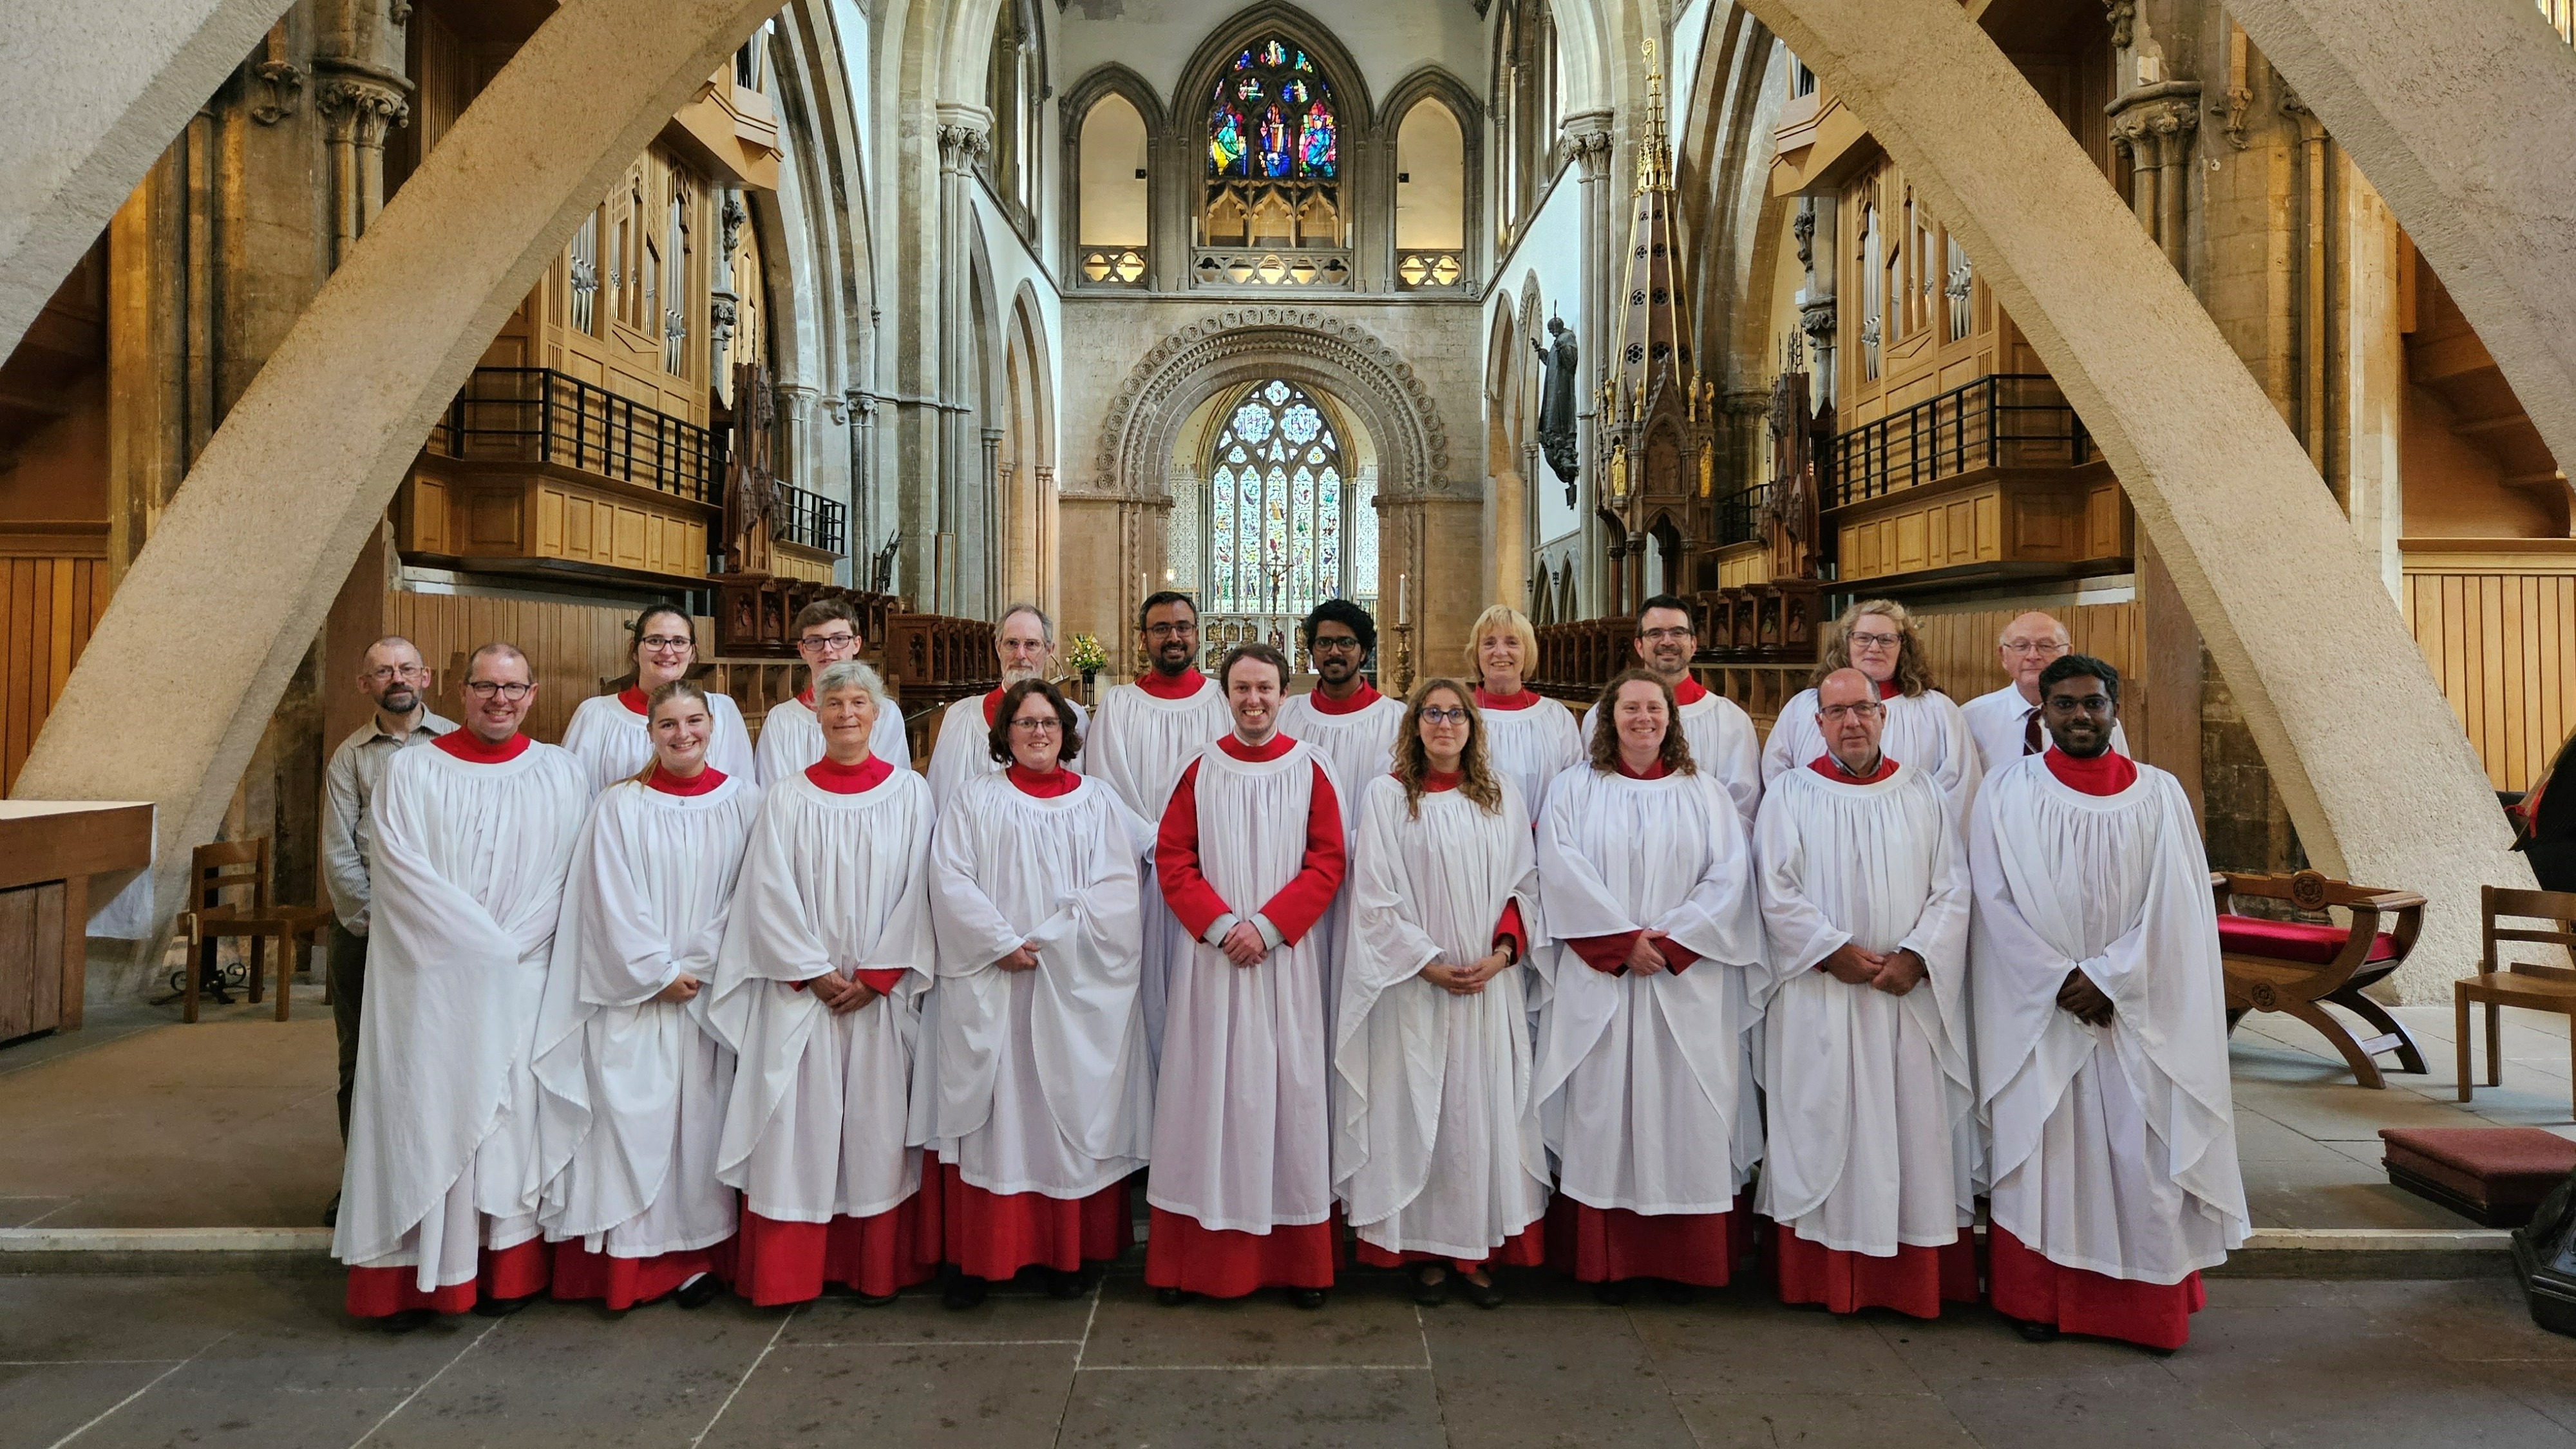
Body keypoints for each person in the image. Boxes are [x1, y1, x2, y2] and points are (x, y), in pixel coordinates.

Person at [1970, 654, 2248, 1350]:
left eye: (2093, 703)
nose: (2080, 716)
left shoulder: (2160, 795)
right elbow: (1990, 902)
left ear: (2115, 708)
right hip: (2042, 1012)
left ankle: (2142, 1312)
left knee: (2141, 1155)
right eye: (2063, 705)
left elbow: (2179, 908)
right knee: (2047, 1155)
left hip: (2135, 1015)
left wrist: (2112, 979)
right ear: (2042, 713)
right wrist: (2057, 979)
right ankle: (2037, 1302)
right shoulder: (2005, 791)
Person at [332, 642, 589, 1327]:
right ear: (459, 690)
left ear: (533, 694)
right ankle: (428, 1269)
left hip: (524, 977)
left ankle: (504, 1269)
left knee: (511, 1124)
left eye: (512, 688)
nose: (498, 700)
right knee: (437, 1111)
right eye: (484, 687)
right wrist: (483, 949)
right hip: (437, 983)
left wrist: (507, 950)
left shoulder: (563, 774)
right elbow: (400, 881)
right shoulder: (412, 773)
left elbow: (570, 879)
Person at [709, 658, 941, 1307]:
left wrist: (880, 973)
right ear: (816, 714)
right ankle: (791, 1273)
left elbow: (921, 890)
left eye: (857, 705)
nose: (845, 715)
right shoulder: (785, 797)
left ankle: (875, 1269)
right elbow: (766, 891)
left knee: (875, 1127)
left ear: (877, 715)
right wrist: (811, 971)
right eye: (834, 704)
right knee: (794, 1132)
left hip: (878, 996)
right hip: (804, 996)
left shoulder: (909, 793)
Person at [1751, 668, 1976, 1320]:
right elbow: (1774, 889)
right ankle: (1818, 1279)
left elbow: (1952, 888)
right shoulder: (1790, 793)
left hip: (1904, 998)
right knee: (1820, 1122)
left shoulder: (1923, 791)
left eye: (1863, 710)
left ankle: (1905, 1280)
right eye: (1836, 712)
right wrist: (1829, 951)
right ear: (1816, 724)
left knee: (1910, 1132)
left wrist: (1917, 956)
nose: (1851, 722)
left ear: (1884, 717)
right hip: (1823, 995)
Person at [1533, 670, 1763, 1303]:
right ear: (1608, 720)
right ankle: (1605, 1260)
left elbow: (1729, 877)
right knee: (1602, 1109)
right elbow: (1559, 867)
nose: (1642, 719)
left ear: (1671, 719)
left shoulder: (1705, 793)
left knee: (1689, 1109)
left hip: (1682, 981)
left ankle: (1689, 1264)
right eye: (1629, 708)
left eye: (1653, 708)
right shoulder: (1573, 790)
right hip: (1603, 980)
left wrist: (1670, 943)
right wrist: (1618, 942)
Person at [922, 679, 1153, 1309]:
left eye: (1048, 722)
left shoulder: (1097, 801)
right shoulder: (974, 800)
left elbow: (1114, 888)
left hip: (1069, 983)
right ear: (1004, 735)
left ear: (1067, 731)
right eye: (1024, 723)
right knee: (995, 1113)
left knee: (1062, 1110)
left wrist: (1049, 940)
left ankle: (1063, 1253)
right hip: (993, 982)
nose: (1038, 733)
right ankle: (979, 1259)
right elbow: (949, 879)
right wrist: (1000, 941)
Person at [533, 681, 759, 1311]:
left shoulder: (745, 804)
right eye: (668, 725)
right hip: (635, 996)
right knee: (628, 1122)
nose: (682, 734)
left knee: (699, 1129)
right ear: (650, 732)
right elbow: (607, 898)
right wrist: (657, 971)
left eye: (693, 722)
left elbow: (748, 896)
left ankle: (695, 1258)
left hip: (708, 1001)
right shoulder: (618, 806)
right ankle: (629, 1263)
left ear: (712, 726)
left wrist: (700, 965)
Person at [1332, 679, 1546, 1309]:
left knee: (1478, 1118)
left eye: (1455, 714)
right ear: (1415, 725)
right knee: (1418, 1115)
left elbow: (1524, 885)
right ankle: (1422, 1252)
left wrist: (1503, 954)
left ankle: (1474, 1252)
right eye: (1432, 713)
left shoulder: (1500, 795)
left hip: (1486, 986)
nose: (1444, 724)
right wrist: (1426, 964)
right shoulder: (1387, 796)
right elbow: (1372, 898)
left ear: (1472, 725)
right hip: (1415, 989)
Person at [1148, 641, 1348, 1308]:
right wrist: (1218, 925)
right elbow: (1173, 859)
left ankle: (1297, 1263)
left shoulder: (1311, 768)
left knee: (1286, 1097)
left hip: (1283, 963)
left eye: (1265, 688)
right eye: (1241, 689)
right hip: (1213, 964)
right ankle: (1190, 1261)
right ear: (1224, 694)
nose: (1254, 700)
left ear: (1284, 695)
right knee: (1203, 1097)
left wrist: (1263, 928)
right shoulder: (1199, 769)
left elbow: (1327, 862)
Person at [319, 636, 455, 1227]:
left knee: (439, 1051)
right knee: (362, 1058)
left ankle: (444, 1176)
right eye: (381, 671)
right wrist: (375, 920)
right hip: (370, 929)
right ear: (365, 685)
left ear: (425, 677)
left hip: (444, 928)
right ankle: (360, 1184)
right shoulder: (349, 758)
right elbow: (338, 852)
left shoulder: (456, 745)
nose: (395, 678)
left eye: (405, 668)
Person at [1084, 591, 1231, 1057]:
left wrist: (1191, 850)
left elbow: (1232, 781)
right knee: (1144, 988)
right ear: (1144, 637)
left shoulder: (1222, 701)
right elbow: (1106, 785)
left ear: (1197, 634)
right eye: (1162, 628)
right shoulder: (1119, 704)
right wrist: (1157, 844)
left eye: (1183, 627)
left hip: (1209, 871)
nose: (1174, 637)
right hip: (1139, 870)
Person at [1763, 600, 1981, 827]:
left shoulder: (1937, 711)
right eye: (1863, 638)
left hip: (1905, 841)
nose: (1874, 648)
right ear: (1845, 643)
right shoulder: (1804, 707)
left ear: (1903, 647)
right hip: (1818, 836)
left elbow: (1960, 790)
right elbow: (1777, 777)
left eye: (1887, 639)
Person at [1579, 595, 1761, 831]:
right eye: (1655, 633)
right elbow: (1591, 792)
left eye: (1678, 632)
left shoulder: (1730, 720)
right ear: (1639, 646)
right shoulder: (1603, 715)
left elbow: (1742, 808)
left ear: (1693, 644)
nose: (1667, 641)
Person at [560, 603, 756, 791]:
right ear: (634, 651)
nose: (667, 651)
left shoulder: (721, 711)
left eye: (679, 642)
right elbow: (574, 797)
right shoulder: (596, 715)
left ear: (693, 652)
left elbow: (740, 792)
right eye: (655, 641)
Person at [924, 603, 1089, 812]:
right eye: (1012, 643)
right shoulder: (961, 718)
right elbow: (943, 804)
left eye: (1031, 644)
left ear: (1049, 650)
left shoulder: (1074, 719)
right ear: (997, 647)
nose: (1020, 655)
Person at [755, 599, 912, 783]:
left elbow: (891, 788)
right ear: (802, 650)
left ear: (856, 644)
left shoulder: (885, 712)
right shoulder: (781, 720)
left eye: (839, 639)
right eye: (815, 641)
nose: (827, 649)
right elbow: (775, 795)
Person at [1958, 611, 2130, 776]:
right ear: (2003, 656)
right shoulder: (1970, 718)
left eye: (2046, 646)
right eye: (2021, 646)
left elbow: (2119, 781)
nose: (2033, 656)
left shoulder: (2098, 720)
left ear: (2067, 654)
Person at [1464, 605, 1581, 822]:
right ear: (1476, 653)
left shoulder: (1555, 717)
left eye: (1512, 642)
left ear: (1527, 651)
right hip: (1477, 844)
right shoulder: (1459, 716)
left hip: (1545, 839)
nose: (1500, 652)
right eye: (1489, 643)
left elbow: (1573, 788)